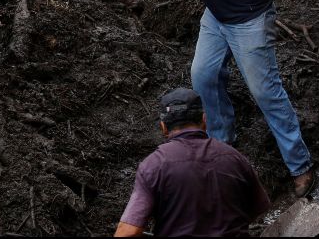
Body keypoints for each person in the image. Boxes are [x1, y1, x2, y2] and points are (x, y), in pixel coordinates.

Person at [104, 0, 314, 196]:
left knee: (265, 91)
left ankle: (300, 165)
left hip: (250, 17)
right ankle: (221, 141)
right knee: (203, 76)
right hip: (217, 15)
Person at [114, 88, 271, 237]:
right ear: (204, 120)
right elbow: (258, 207)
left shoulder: (153, 166)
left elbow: (128, 232)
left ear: (163, 127)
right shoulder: (234, 157)